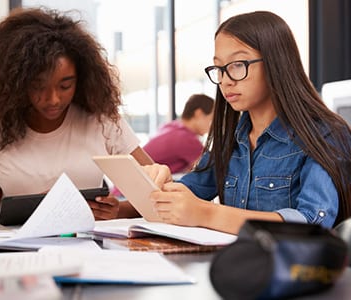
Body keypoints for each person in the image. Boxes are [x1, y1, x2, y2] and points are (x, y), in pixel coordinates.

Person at [143, 11, 351, 234]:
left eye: (237, 65)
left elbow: (313, 223)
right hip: (232, 263)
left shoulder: (325, 134)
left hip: (290, 267)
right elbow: (190, 190)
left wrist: (207, 213)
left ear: (276, 63)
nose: (225, 80)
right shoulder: (231, 138)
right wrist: (157, 187)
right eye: (219, 68)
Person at [0, 7, 153, 221]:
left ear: (81, 79)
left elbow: (158, 194)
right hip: (21, 248)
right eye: (38, 86)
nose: (53, 99)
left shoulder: (101, 120)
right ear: (17, 84)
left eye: (65, 86)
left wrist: (119, 210)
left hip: (88, 246)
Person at [143, 94, 214, 174]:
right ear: (199, 114)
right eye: (211, 119)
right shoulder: (187, 139)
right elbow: (208, 170)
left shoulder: (170, 126)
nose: (212, 126)